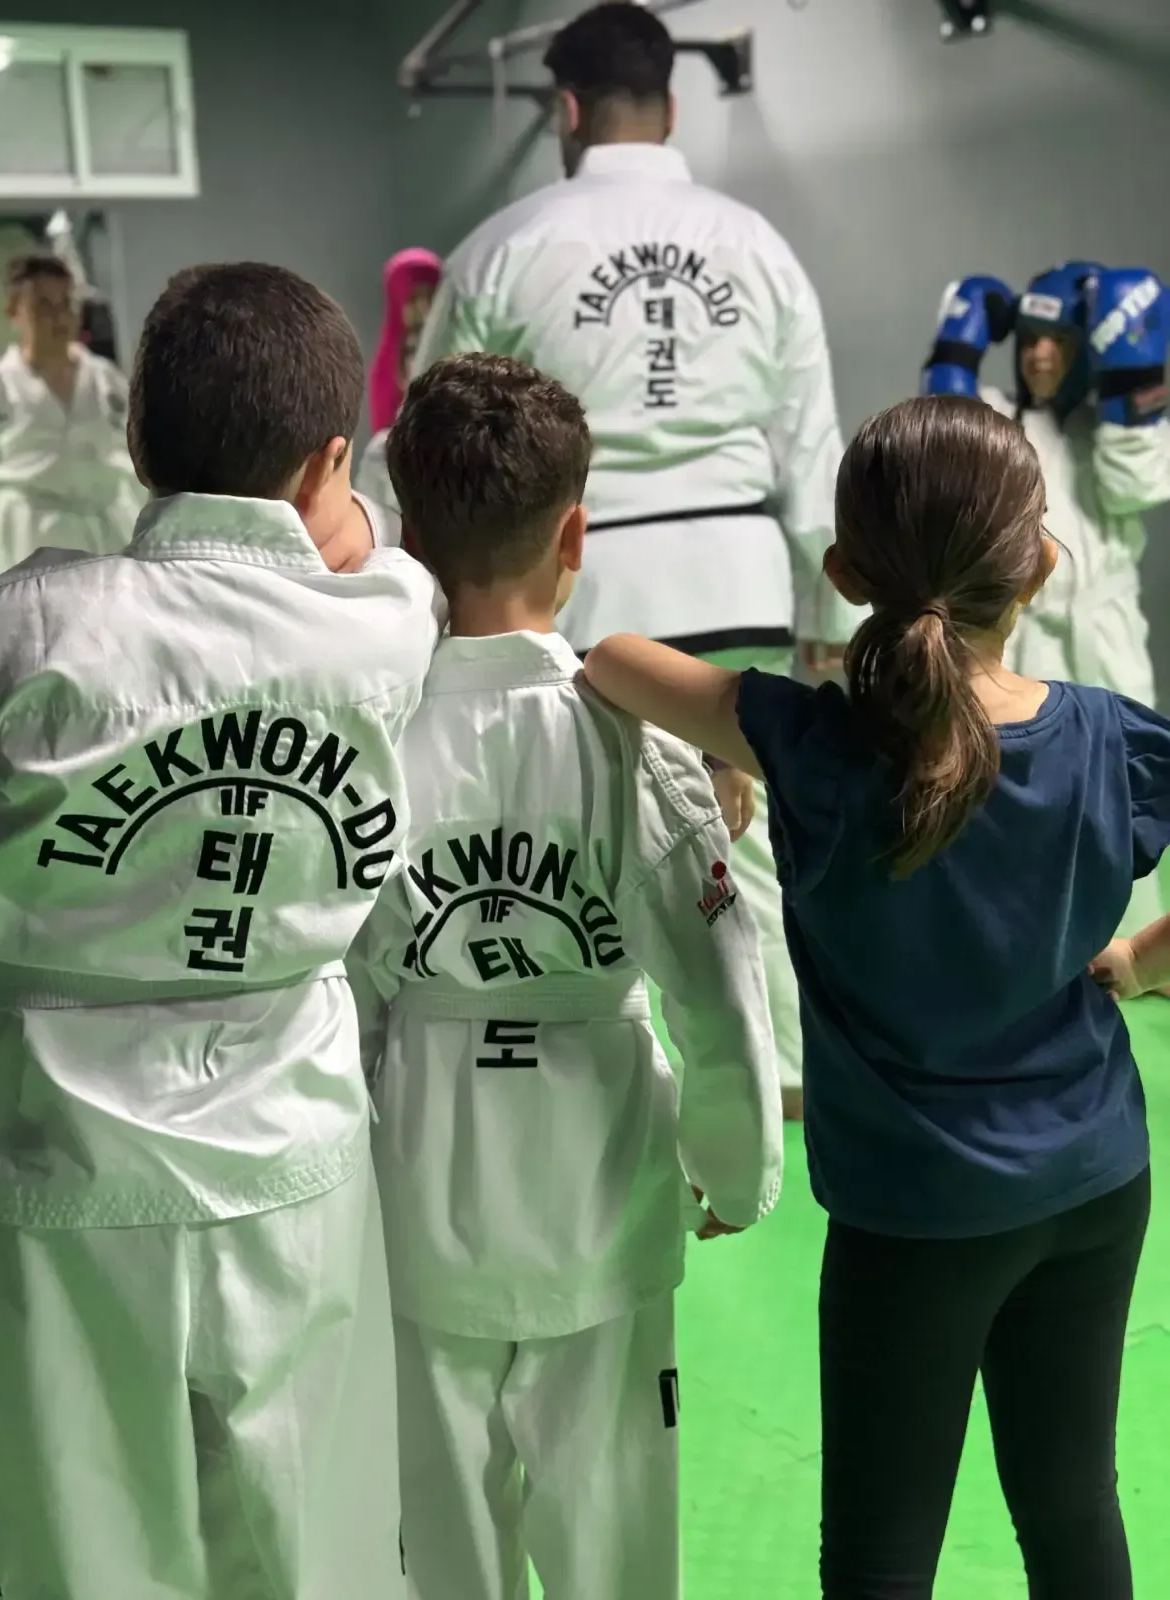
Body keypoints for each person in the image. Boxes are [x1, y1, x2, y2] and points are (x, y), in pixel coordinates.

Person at [582, 395, 1169, 1598]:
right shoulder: (1112, 741)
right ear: (1041, 565)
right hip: (1094, 1182)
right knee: (1074, 1507)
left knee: (880, 1551)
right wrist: (1141, 960)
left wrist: (724, 755)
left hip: (912, 1220)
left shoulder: (807, 742)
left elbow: (611, 659)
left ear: (845, 575)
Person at [0, 261, 443, 1599]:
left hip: (59, 1151)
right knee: (309, 1551)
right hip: (291, 1146)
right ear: (331, 464)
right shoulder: (379, 629)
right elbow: (389, 561)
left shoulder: (23, 626)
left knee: (77, 1557)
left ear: (134, 438)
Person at [352, 352, 782, 1600]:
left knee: (442, 1553)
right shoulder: (633, 744)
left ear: (411, 537)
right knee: (618, 1552)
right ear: (575, 534)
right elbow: (717, 989)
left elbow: (346, 990)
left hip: (420, 1191)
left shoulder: (374, 735)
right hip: (602, 1199)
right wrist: (737, 1168)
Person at [411, 1, 863, 1118]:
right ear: (671, 105)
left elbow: (441, 440)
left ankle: (605, 1085)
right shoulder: (758, 246)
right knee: (746, 843)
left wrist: (427, 601)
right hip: (741, 574)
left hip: (585, 580)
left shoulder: (504, 247)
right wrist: (834, 620)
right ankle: (785, 1078)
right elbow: (811, 446)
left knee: (591, 837)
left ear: (566, 109)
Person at [922, 261, 1170, 933]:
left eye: (1057, 341)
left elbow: (1135, 485)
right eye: (1029, 337)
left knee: (1122, 795)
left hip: (1102, 637)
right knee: (1008, 794)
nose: (1038, 354)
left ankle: (1137, 951)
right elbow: (943, 460)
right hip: (1013, 631)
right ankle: (1015, 947)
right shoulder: (994, 415)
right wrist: (955, 354)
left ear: (1089, 348)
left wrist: (1133, 380)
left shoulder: (1116, 433)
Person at [0, 252, 145, 578]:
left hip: (105, 530)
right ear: (13, 311)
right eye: (44, 306)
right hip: (29, 534)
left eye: (67, 303)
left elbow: (135, 460)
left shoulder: (106, 381)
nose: (60, 316)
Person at [355, 247, 443, 511]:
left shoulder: (448, 342)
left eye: (430, 297)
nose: (423, 309)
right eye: (414, 299)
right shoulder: (393, 355)